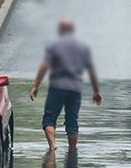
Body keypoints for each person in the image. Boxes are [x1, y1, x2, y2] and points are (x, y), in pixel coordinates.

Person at [29, 18, 102, 153]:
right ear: (73, 31)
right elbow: (91, 70)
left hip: (57, 88)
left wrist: (36, 86)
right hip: (75, 89)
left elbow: (45, 66)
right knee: (72, 121)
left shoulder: (54, 46)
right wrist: (96, 91)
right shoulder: (83, 48)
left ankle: (53, 145)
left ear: (60, 30)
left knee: (49, 118)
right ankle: (72, 150)